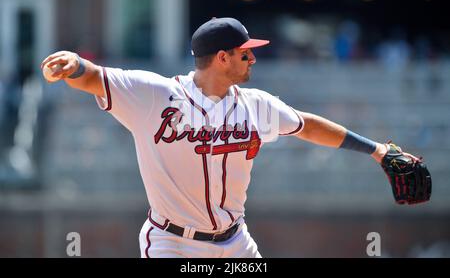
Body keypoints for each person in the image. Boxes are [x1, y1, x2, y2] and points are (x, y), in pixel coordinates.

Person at [41, 17, 429, 258]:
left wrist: (377, 150)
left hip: (234, 242)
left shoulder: (257, 105)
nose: (252, 59)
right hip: (171, 243)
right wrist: (72, 63)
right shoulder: (155, 95)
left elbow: (307, 124)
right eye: (245, 53)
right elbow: (93, 76)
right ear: (222, 58)